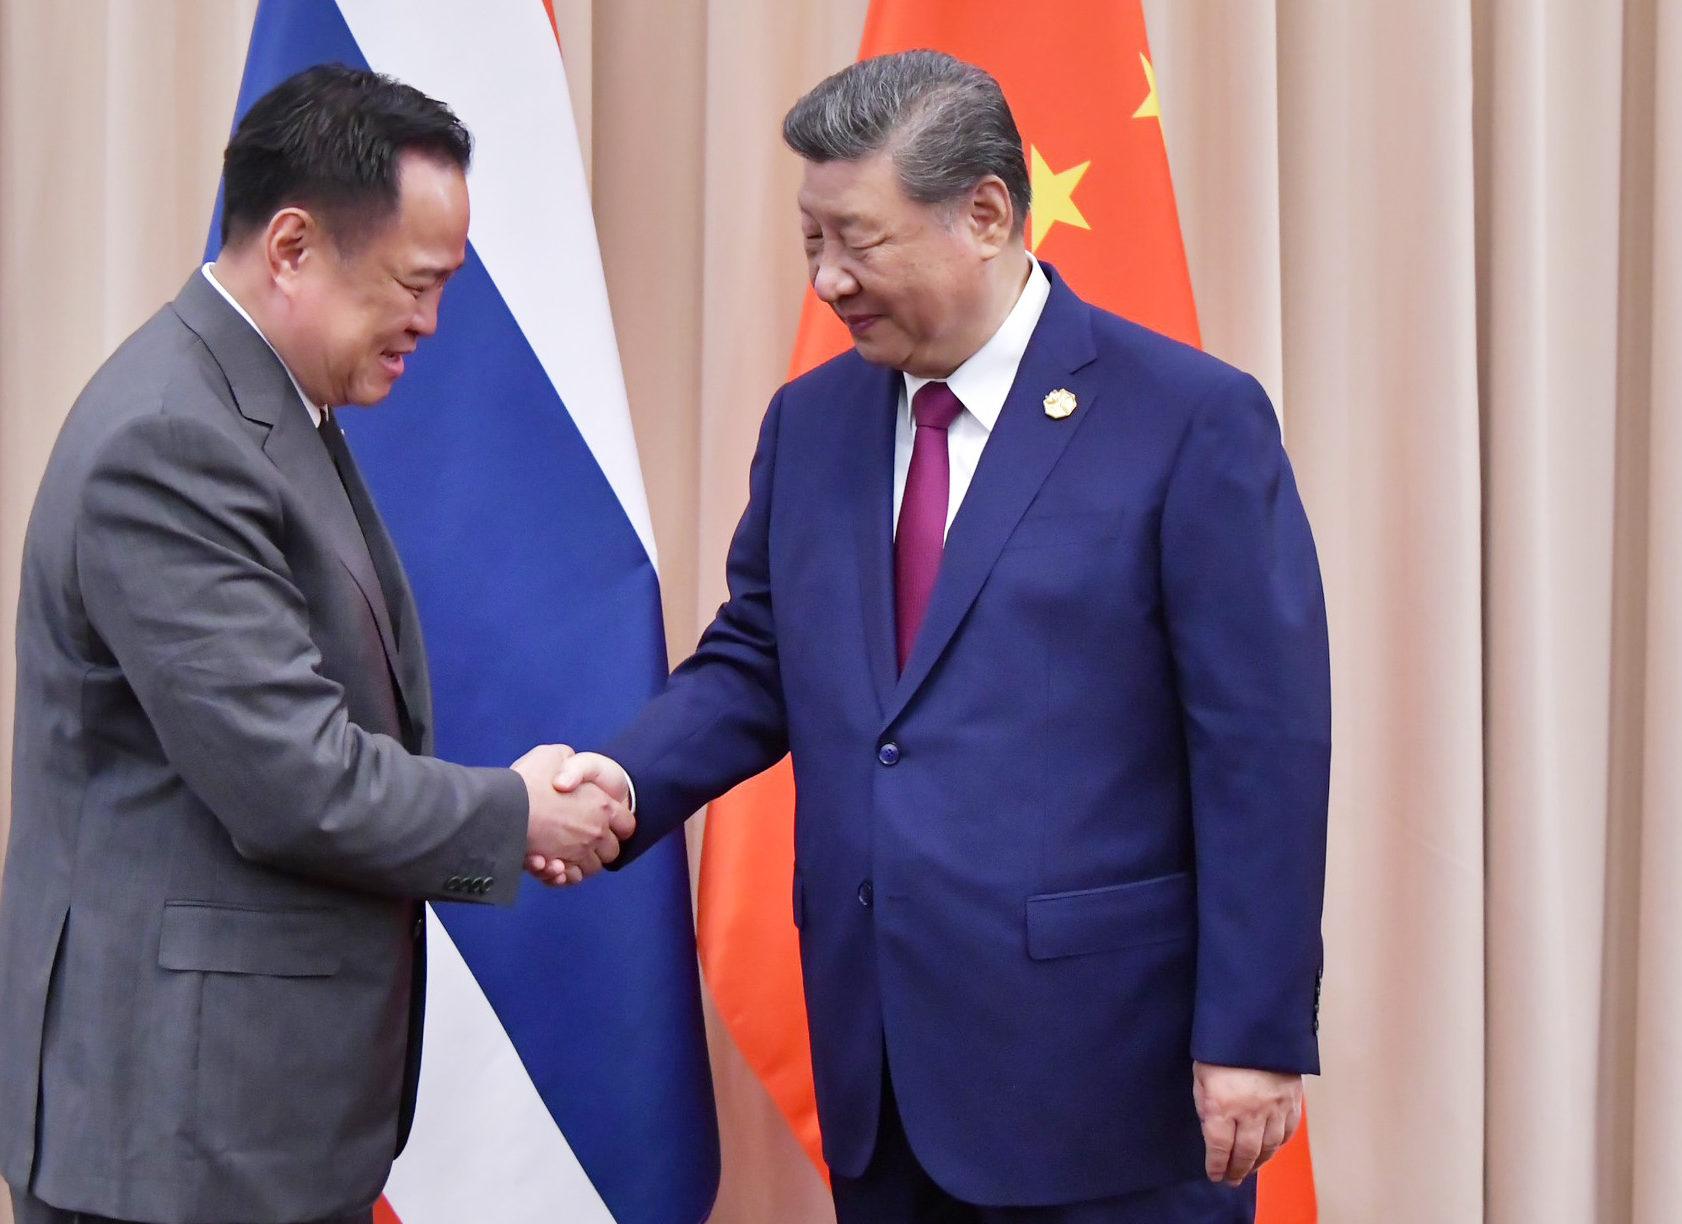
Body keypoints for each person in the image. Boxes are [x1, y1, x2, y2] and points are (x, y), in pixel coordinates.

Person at [551, 50, 1331, 1224]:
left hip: (1104, 1082)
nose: (827, 279)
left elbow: (1261, 745)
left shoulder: (1187, 420)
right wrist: (621, 779)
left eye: (857, 240)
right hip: (882, 1070)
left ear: (986, 215)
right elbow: (761, 656)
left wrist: (1253, 1033)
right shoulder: (810, 423)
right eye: (810, 240)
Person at [0, 65, 631, 1224]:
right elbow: (290, 785)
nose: (431, 322)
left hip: (237, 1124)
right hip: (171, 1138)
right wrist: (518, 820)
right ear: (294, 247)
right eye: (415, 283)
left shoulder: (257, 404)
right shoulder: (172, 438)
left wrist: (507, 837)